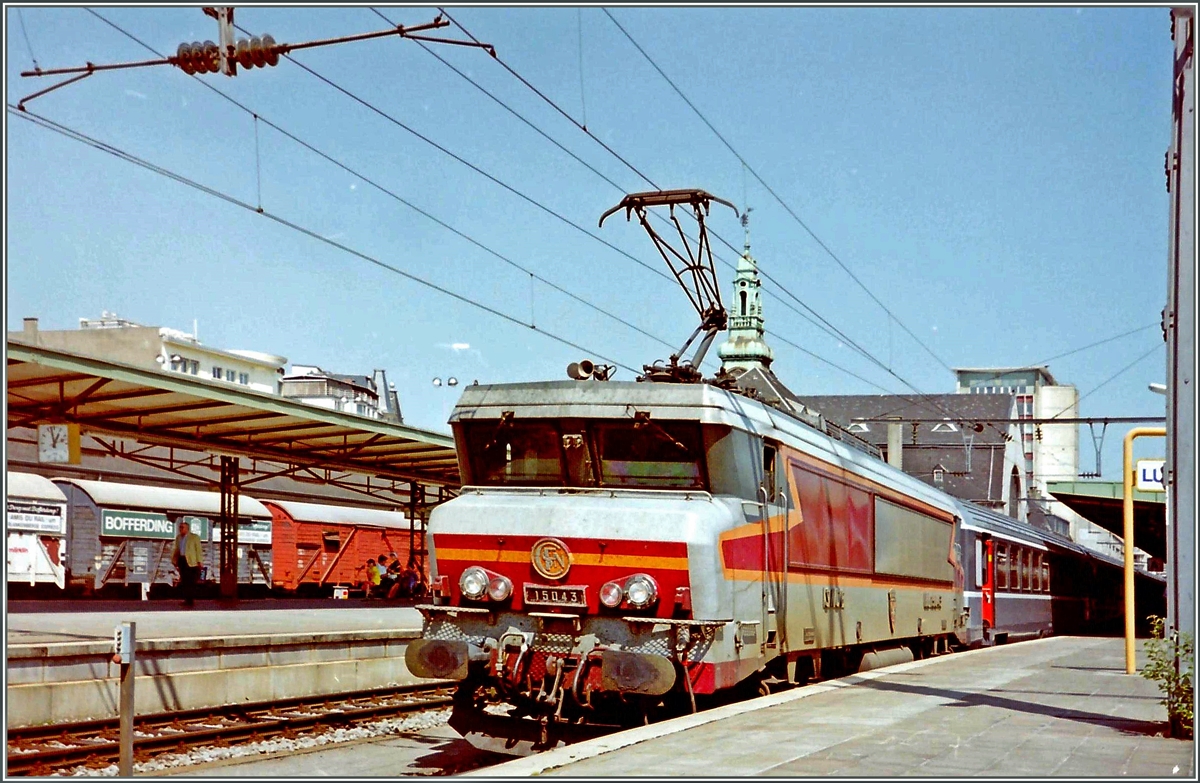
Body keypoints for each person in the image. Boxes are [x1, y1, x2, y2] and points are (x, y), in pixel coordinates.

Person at [173, 520, 203, 608]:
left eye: (182, 527)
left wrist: (199, 561)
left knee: (191, 582)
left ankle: (190, 600)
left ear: (187, 528)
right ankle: (186, 599)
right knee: (184, 582)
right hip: (182, 560)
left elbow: (198, 550)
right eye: (180, 527)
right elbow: (176, 549)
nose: (180, 529)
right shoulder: (178, 538)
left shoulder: (194, 537)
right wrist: (174, 561)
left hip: (191, 562)